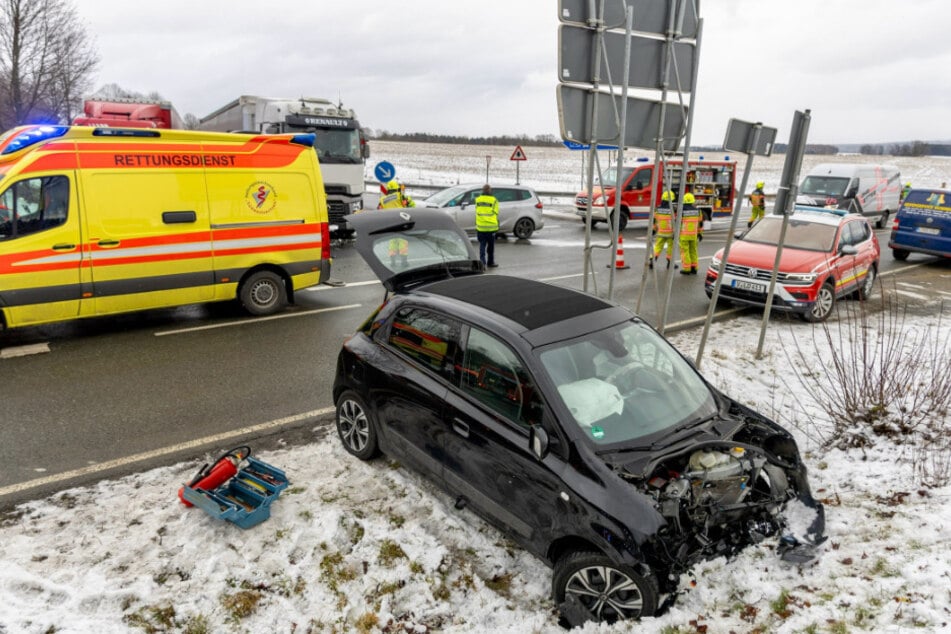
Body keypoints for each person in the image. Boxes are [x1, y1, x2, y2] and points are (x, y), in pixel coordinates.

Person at [474, 184, 499, 268]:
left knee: (482, 245)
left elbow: (477, 210)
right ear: (490, 190)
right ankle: (490, 262)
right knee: (490, 247)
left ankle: (482, 262)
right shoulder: (494, 200)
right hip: (491, 228)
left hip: (480, 227)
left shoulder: (477, 200)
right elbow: (496, 212)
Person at [651, 190, 676, 269]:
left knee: (658, 247)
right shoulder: (673, 210)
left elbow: (654, 221)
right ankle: (670, 263)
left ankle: (652, 260)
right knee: (670, 248)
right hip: (670, 233)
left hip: (661, 232)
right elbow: (676, 221)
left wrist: (654, 230)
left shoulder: (657, 209)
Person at [679, 192, 702, 274]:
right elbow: (700, 223)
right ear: (692, 201)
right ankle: (694, 268)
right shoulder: (698, 211)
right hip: (694, 235)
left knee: (685, 252)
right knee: (693, 251)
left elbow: (678, 223)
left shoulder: (681, 211)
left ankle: (687, 269)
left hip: (684, 235)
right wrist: (700, 233)